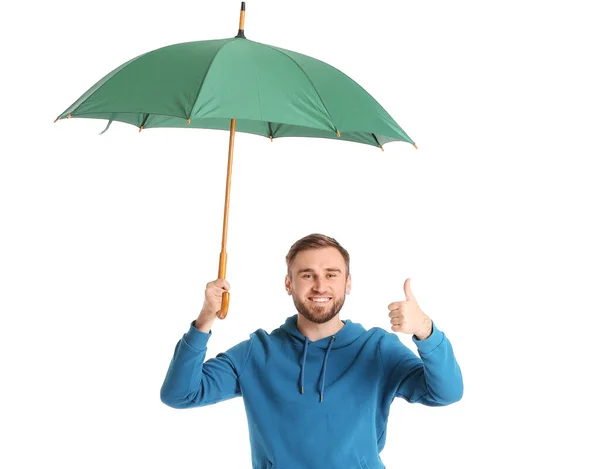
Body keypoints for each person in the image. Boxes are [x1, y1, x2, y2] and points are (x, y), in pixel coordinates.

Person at [160, 233, 463, 469]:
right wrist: (205, 318)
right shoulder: (257, 352)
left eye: (331, 274)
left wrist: (425, 329)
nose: (320, 286)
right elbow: (179, 394)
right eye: (307, 275)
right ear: (288, 284)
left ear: (348, 283)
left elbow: (445, 393)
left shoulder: (377, 349)